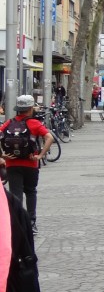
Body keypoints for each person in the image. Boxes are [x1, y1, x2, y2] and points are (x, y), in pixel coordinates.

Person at [0, 95, 54, 231]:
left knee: (16, 194)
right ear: (30, 109)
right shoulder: (34, 123)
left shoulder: (9, 123)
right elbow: (49, 138)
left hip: (12, 163)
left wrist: (2, 155)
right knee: (31, 192)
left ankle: (17, 223)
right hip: (30, 164)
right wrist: (40, 155)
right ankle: (31, 222)